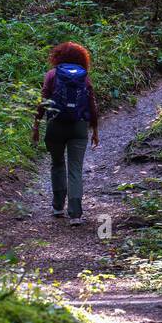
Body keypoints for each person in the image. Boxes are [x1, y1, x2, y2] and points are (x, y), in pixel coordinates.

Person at [31, 42, 100, 225]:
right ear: (82, 58)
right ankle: (75, 214)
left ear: (58, 56)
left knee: (57, 163)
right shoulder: (84, 78)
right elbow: (92, 105)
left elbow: (44, 100)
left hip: (56, 125)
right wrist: (95, 129)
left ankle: (57, 207)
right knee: (75, 168)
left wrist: (36, 125)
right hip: (79, 126)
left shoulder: (52, 74)